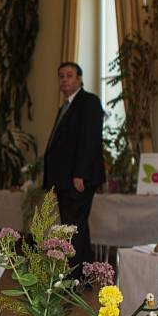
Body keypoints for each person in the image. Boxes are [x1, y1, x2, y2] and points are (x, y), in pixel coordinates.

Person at [42, 62, 105, 270]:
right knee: (73, 227)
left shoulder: (89, 102)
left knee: (74, 228)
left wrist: (80, 173)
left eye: (69, 75)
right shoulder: (66, 106)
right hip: (64, 179)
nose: (64, 79)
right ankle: (81, 274)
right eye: (61, 76)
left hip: (78, 179)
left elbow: (90, 139)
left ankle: (76, 275)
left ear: (79, 79)